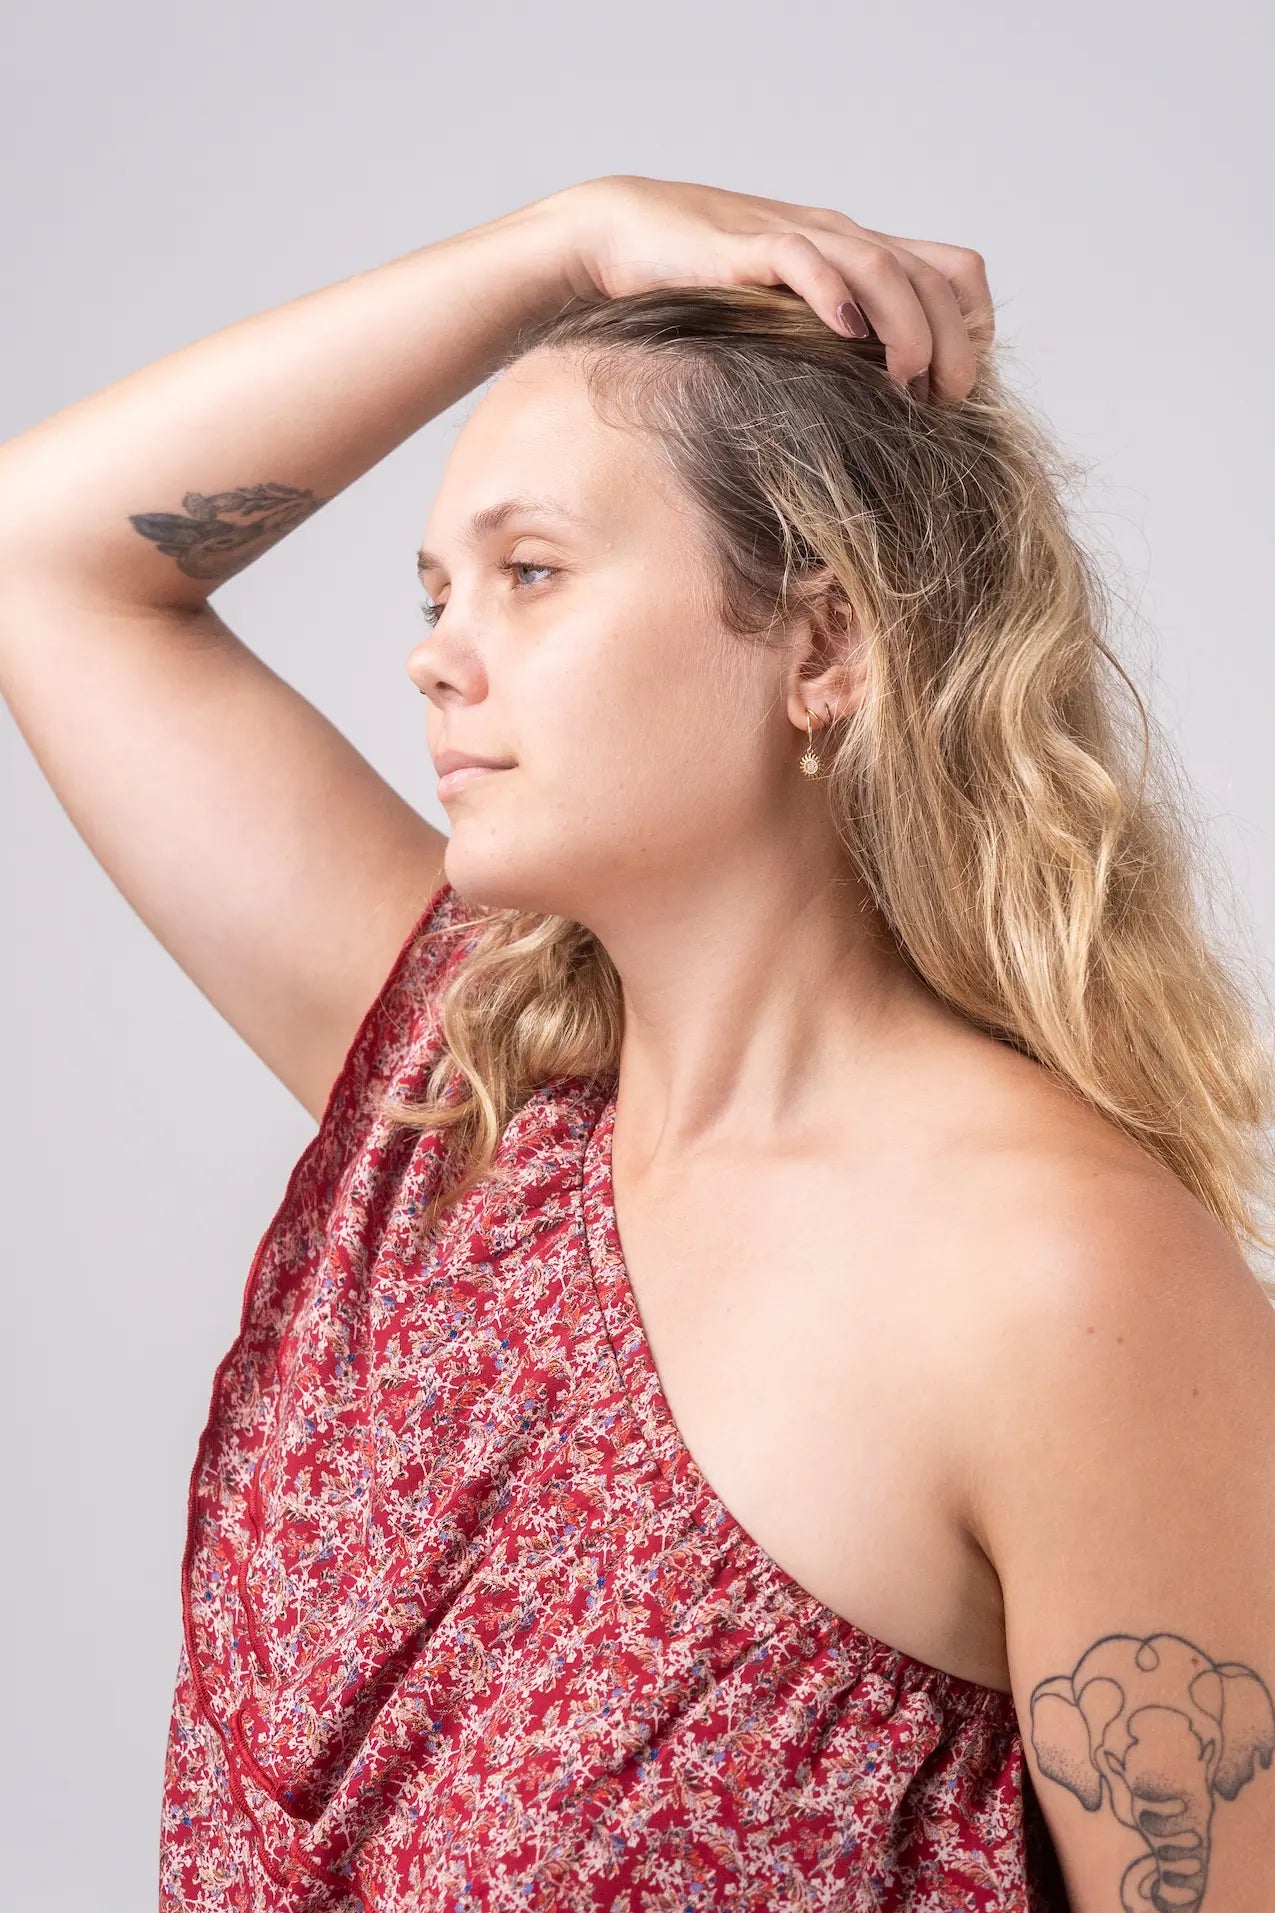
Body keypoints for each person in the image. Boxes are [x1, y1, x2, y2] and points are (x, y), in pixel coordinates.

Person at [2, 174, 1273, 1912]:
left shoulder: (1063, 1277)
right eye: (439, 589)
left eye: (530, 572)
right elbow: (46, 555)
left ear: (824, 639)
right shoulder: (466, 1112)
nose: (438, 654)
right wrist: (565, 246)